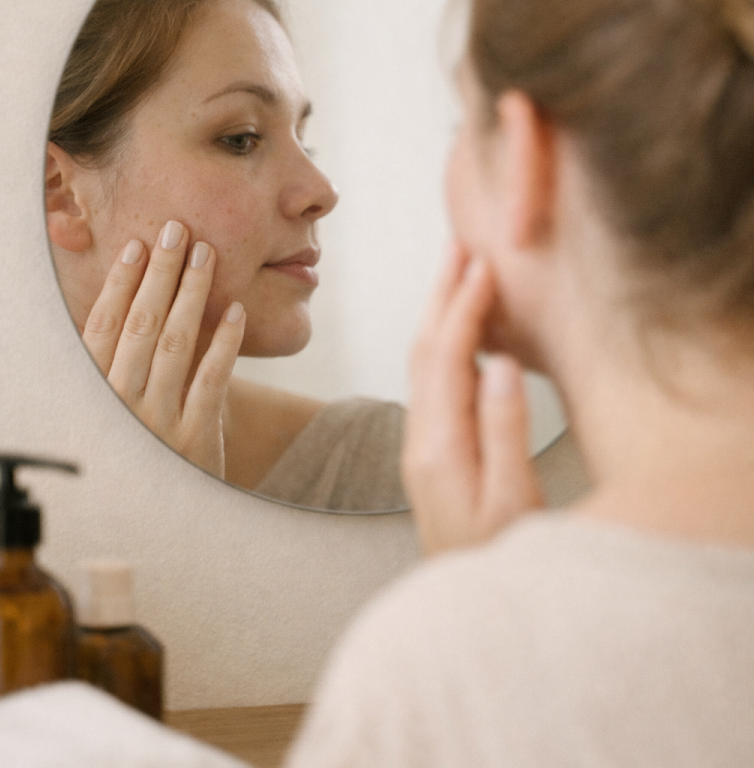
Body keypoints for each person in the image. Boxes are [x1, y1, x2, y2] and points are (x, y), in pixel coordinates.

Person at [284, 0, 754, 763]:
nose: (317, 192)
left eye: (460, 132)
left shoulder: (432, 677)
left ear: (530, 163)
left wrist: (489, 631)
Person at [45, 0, 588, 511]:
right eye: (242, 138)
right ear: (62, 192)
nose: (321, 190)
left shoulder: (381, 468)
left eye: (306, 139)